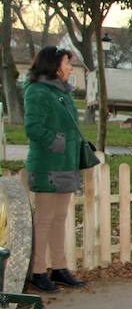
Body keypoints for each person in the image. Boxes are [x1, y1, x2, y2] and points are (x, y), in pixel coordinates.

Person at [23, 46, 88, 292]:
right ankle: (38, 271)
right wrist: (58, 141)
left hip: (65, 164)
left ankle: (59, 267)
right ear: (54, 65)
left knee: (59, 219)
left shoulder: (60, 91)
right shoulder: (37, 91)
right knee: (44, 220)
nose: (70, 68)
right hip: (48, 166)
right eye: (67, 63)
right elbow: (33, 127)